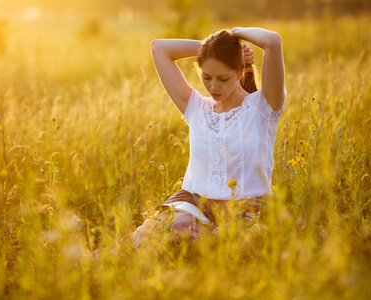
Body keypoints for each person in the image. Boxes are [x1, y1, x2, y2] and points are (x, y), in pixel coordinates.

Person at [123, 27, 286, 248]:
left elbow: (272, 41)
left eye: (223, 78)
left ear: (240, 73)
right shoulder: (197, 108)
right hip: (194, 206)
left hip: (245, 214)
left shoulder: (263, 108)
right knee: (155, 235)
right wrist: (210, 49)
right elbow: (159, 48)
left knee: (210, 248)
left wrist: (235, 35)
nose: (213, 86)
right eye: (206, 77)